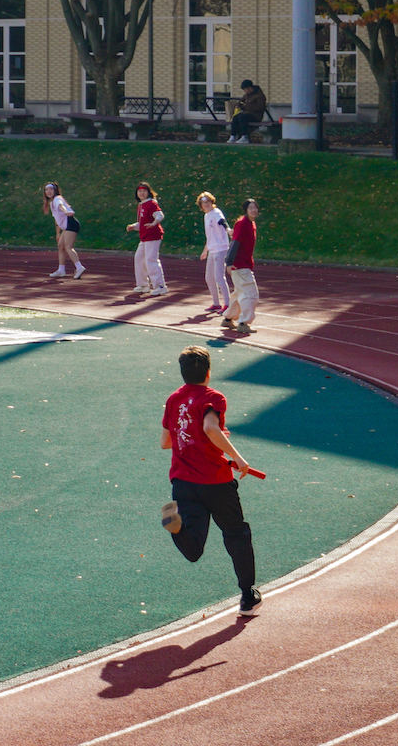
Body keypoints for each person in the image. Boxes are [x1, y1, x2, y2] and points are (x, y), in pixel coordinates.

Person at [160, 344, 261, 617]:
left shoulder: (173, 399)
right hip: (216, 481)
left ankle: (176, 527)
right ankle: (247, 595)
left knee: (193, 548)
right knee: (236, 533)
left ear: (183, 373)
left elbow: (165, 442)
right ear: (208, 373)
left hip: (183, 483)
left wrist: (190, 440)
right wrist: (238, 458)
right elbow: (209, 427)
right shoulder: (212, 397)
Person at [221, 199, 259, 334]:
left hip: (244, 264)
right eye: (250, 208)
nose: (253, 210)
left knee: (239, 294)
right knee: (250, 295)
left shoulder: (251, 223)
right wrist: (229, 262)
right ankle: (244, 322)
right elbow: (235, 242)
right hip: (240, 265)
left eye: (255, 207)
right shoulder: (243, 223)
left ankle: (228, 319)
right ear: (245, 210)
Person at [127, 182, 167, 296]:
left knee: (151, 260)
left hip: (153, 237)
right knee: (139, 258)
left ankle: (160, 286)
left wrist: (154, 223)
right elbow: (142, 223)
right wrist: (133, 226)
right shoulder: (140, 205)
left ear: (148, 192)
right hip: (144, 238)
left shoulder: (151, 203)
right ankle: (143, 285)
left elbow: (160, 215)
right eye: (140, 191)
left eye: (144, 191)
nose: (142, 193)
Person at [198, 191, 232, 313]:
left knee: (219, 277)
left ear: (212, 202)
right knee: (209, 277)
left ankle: (228, 304)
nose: (206, 205)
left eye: (208, 202)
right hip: (212, 249)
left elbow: (222, 222)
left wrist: (228, 230)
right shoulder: (206, 216)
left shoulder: (216, 213)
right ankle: (216, 303)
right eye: (203, 203)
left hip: (221, 248)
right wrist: (205, 251)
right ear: (201, 206)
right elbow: (210, 236)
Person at [42, 182, 86, 279]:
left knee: (68, 247)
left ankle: (79, 267)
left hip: (71, 224)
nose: (48, 192)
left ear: (55, 191)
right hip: (66, 227)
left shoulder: (57, 199)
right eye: (46, 190)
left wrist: (66, 211)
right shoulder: (51, 203)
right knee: (60, 246)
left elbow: (61, 206)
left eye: (51, 190)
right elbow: (57, 220)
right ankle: (61, 270)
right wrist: (58, 233)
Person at [226, 80, 267, 144]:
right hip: (247, 113)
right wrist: (238, 105)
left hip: (256, 115)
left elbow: (260, 108)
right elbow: (241, 101)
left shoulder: (259, 95)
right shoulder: (247, 95)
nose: (245, 91)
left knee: (242, 117)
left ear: (250, 88)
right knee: (236, 117)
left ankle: (245, 136)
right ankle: (233, 135)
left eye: (245, 89)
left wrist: (247, 106)